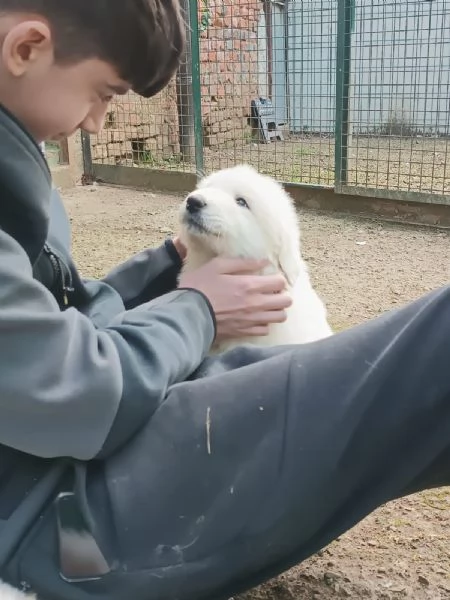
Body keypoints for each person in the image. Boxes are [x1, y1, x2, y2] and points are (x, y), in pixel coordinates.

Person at [0, 2, 449, 599]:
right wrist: (200, 309)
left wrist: (161, 270)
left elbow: (49, 329)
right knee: (428, 348)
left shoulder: (18, 176)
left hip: (51, 477)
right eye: (103, 93)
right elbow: (78, 393)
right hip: (52, 519)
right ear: (26, 48)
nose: (97, 125)